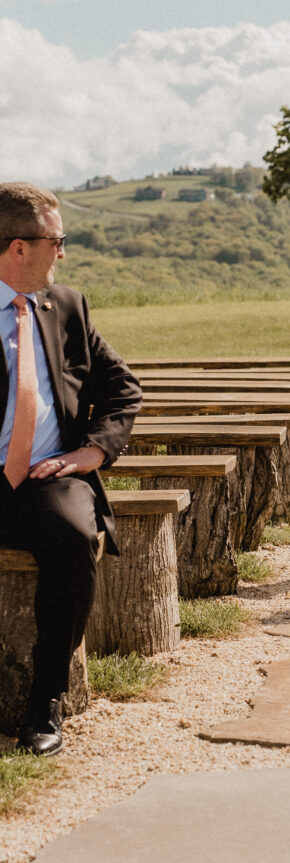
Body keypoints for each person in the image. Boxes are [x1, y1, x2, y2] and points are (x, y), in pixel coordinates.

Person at [0, 183, 142, 755]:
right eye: (56, 241)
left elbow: (123, 388)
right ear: (17, 248)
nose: (62, 252)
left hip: (47, 475)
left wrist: (94, 452)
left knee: (73, 536)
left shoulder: (67, 307)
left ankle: (45, 702)